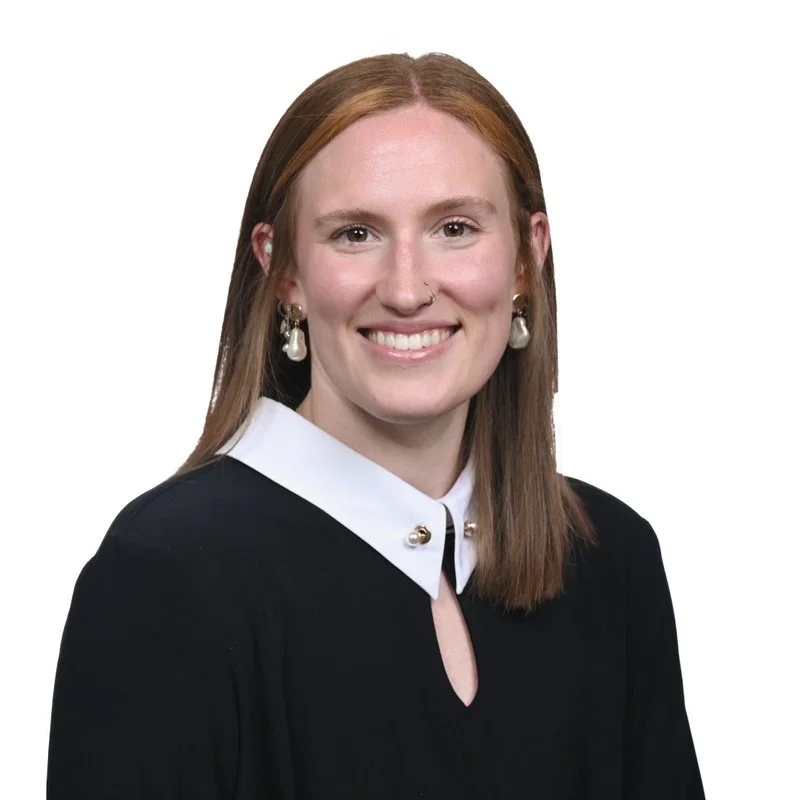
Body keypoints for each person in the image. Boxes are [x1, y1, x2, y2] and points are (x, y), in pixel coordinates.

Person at [46, 52, 705, 798]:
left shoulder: (609, 558)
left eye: (454, 227)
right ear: (284, 270)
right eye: (355, 234)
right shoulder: (164, 579)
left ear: (527, 257)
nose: (406, 287)